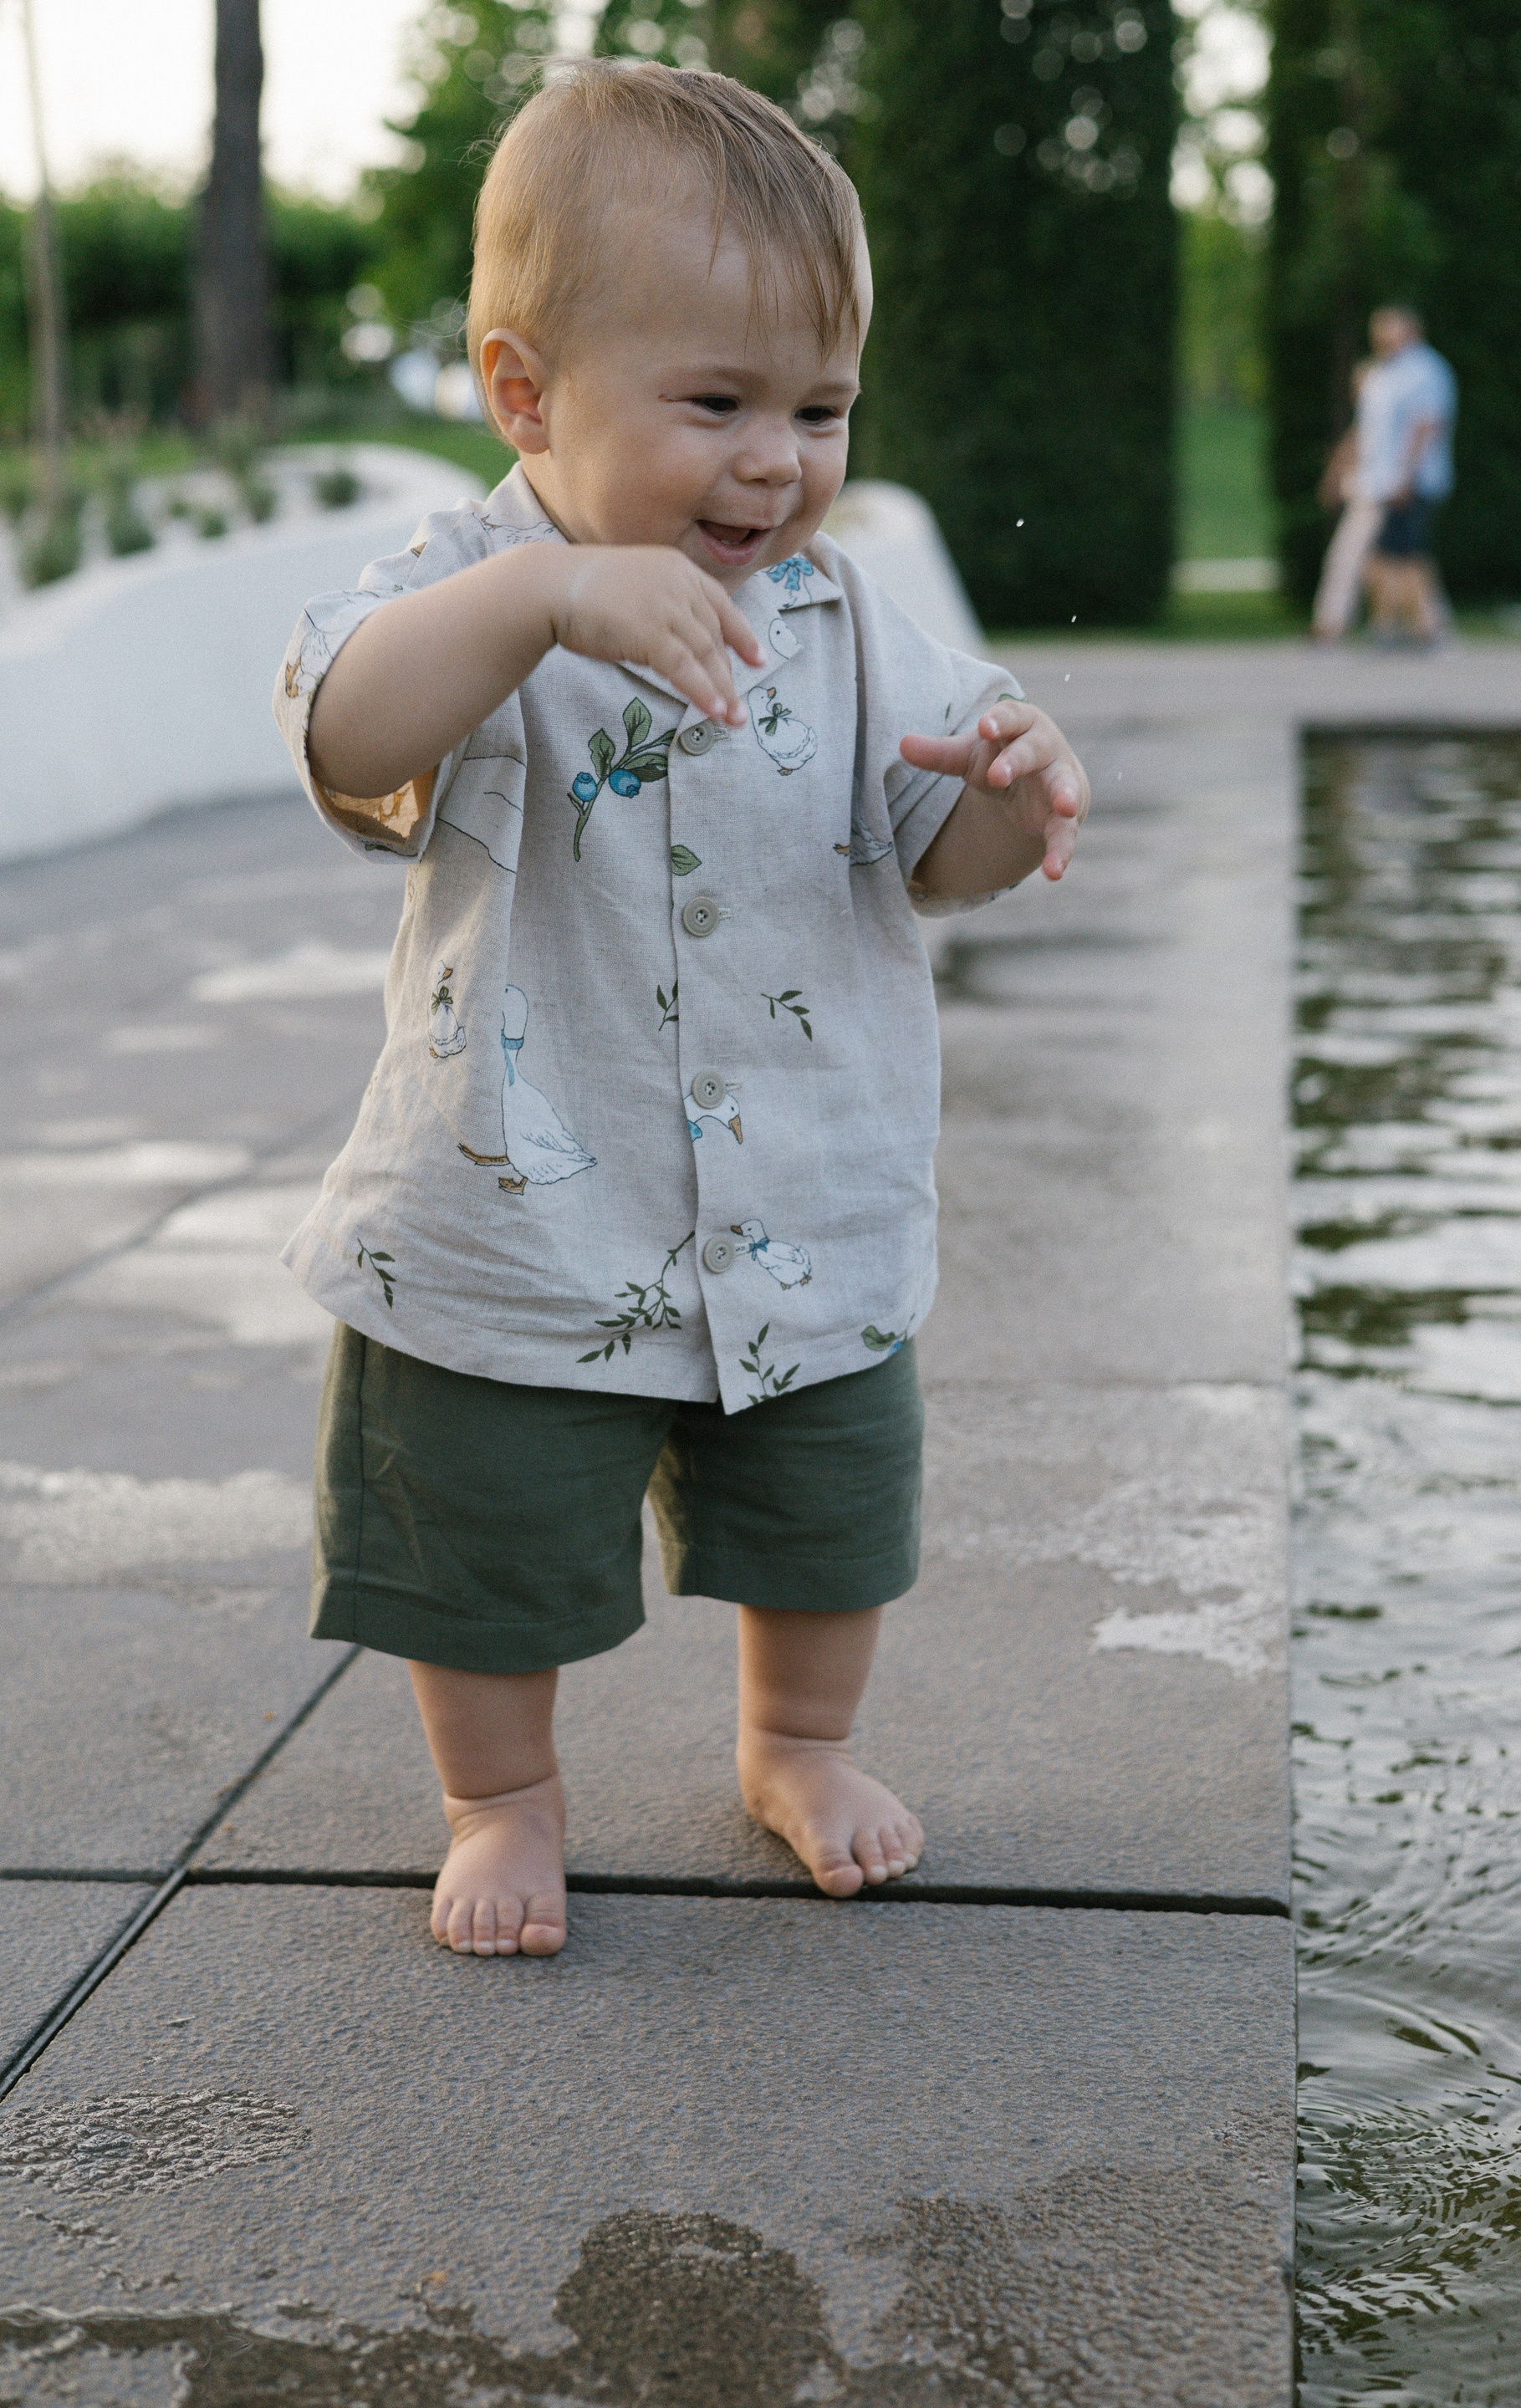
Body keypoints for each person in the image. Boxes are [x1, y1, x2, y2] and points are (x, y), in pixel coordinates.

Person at [271, 61, 1090, 1959]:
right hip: (517, 1208)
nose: (775, 462)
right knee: (479, 1525)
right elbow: (348, 737)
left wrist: (1010, 789)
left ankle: (799, 1743)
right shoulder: (464, 594)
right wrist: (544, 603)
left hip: (801, 1190)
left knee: (827, 1505)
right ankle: (501, 1796)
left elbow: (938, 851)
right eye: (716, 405)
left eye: (821, 409)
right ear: (525, 393)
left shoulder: (845, 617)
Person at [1355, 304, 1457, 644]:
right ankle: (1400, 625)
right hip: (1387, 479)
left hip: (1410, 480)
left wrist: (1405, 476)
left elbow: (1425, 425)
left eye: (1388, 328)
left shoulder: (1423, 370)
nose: (1380, 335)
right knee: (1392, 554)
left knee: (1406, 554)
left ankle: (1420, 626)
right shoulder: (1389, 369)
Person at [1311, 357, 1381, 642]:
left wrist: (1333, 478)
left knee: (1347, 560)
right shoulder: (1372, 416)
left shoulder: (1378, 417)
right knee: (1392, 560)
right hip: (1370, 495)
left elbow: (1352, 450)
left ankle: (1331, 623)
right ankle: (1421, 623)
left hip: (1372, 496)